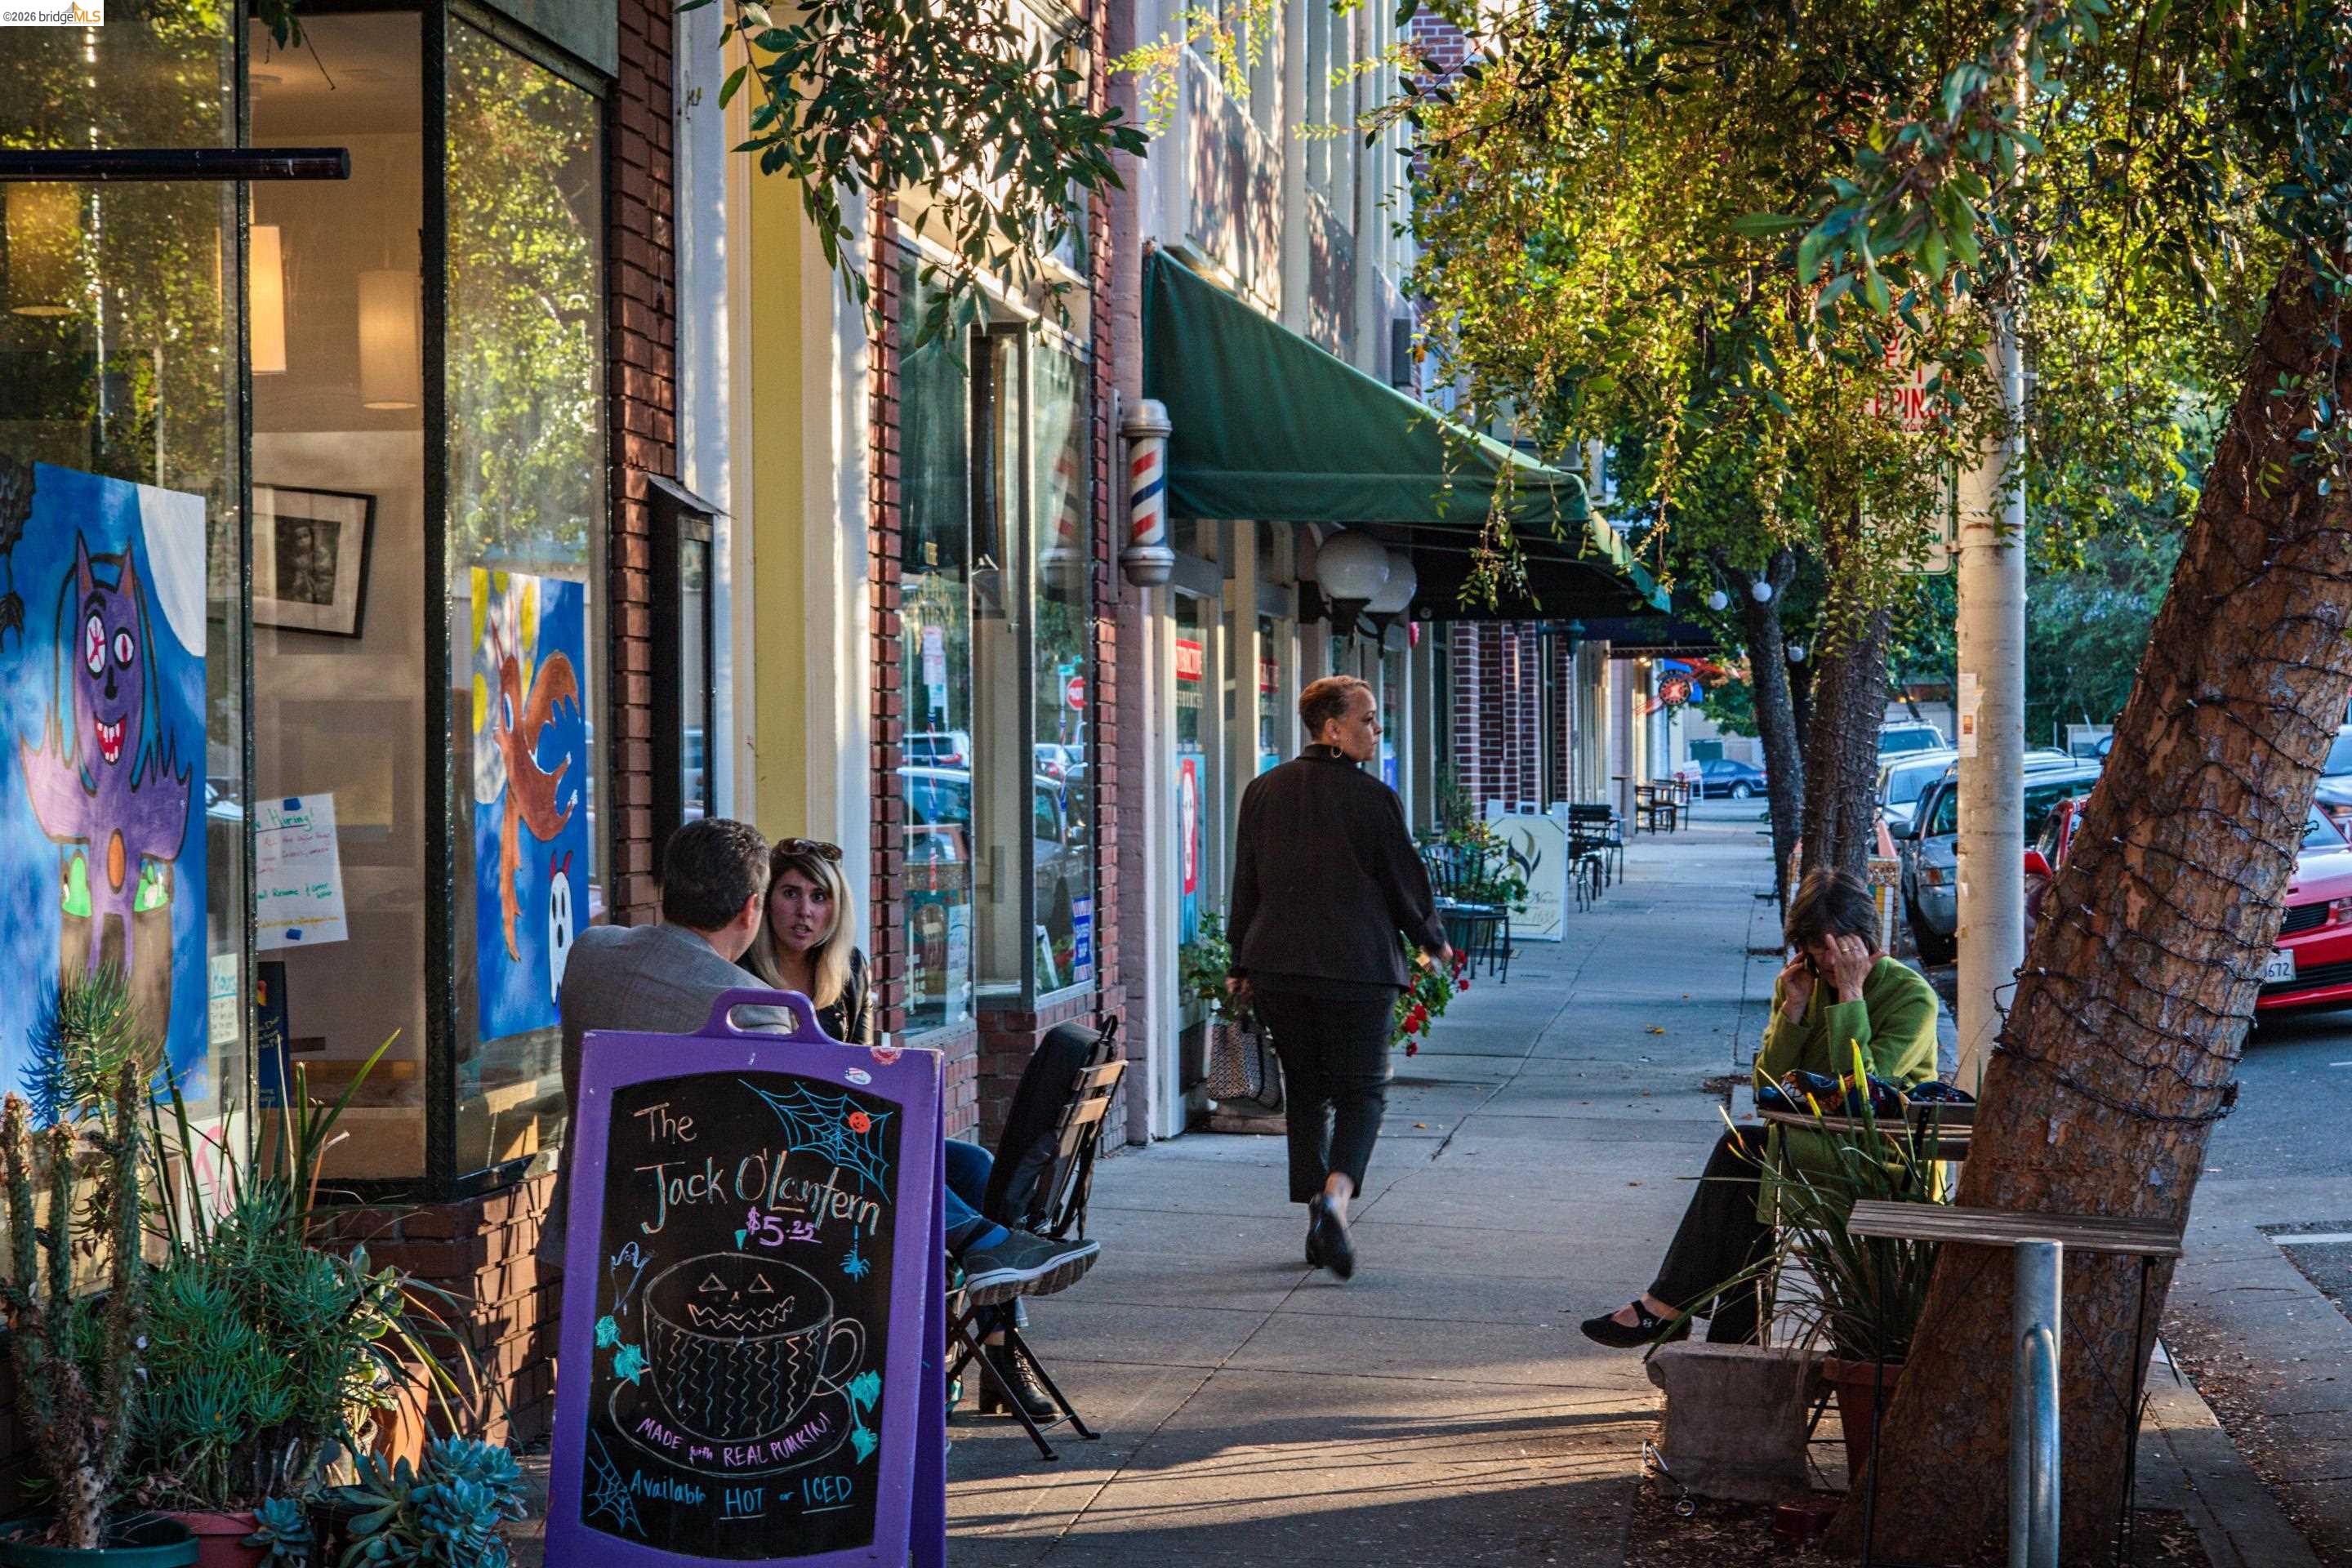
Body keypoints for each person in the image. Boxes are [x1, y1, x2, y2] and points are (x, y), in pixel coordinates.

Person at [540, 818, 1094, 1310]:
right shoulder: (756, 1009)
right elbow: (792, 1145)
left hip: (598, 1209)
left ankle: (986, 1267)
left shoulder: (592, 953)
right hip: (710, 1222)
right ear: (752, 908)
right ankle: (982, 1248)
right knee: (879, 1145)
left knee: (960, 1163)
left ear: (667, 889)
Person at [1580, 869, 1941, 1348]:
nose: (1827, 965)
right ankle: (1725, 1336)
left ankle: (1672, 1309)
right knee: (1746, 1169)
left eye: (1837, 952)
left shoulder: (1910, 995)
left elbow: (1862, 1094)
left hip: (1880, 1156)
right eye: (1815, 953)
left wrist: (1851, 996)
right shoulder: (1803, 984)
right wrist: (1793, 1009)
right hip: (1808, 1143)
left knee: (1744, 1156)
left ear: (1864, 942)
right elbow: (1766, 1085)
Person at [1227, 675, 1450, 1280]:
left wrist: (1239, 962)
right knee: (1362, 1091)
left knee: (1306, 1092)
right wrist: (1431, 940)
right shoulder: (1372, 798)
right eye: (1368, 719)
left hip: (1278, 965)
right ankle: (1336, 1198)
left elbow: (1246, 881)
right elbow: (1403, 880)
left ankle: (1316, 1220)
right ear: (1332, 728)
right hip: (1357, 966)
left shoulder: (1263, 790)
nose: (1376, 730)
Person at [742, 836, 872, 1044]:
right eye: (791, 894)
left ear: (838, 908)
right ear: (767, 901)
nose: (804, 911)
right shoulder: (740, 965)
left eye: (818, 897)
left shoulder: (852, 966)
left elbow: (862, 1058)